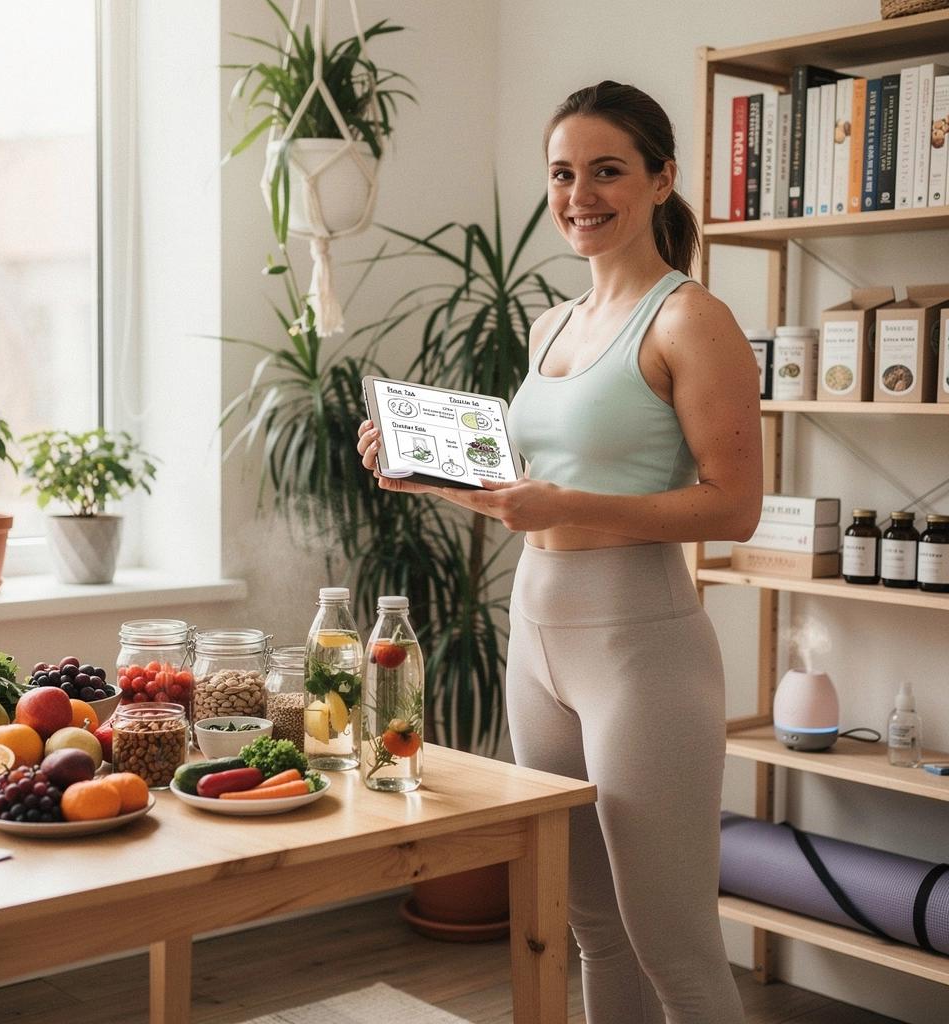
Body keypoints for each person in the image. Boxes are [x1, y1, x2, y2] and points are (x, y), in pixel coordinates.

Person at [357, 80, 760, 1024]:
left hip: (642, 654)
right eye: (564, 174)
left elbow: (734, 507)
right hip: (535, 638)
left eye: (608, 171)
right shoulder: (549, 325)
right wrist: (431, 475)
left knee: (674, 944)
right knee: (589, 926)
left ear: (662, 178)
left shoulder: (689, 319)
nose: (581, 194)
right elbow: (529, 493)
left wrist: (558, 502)